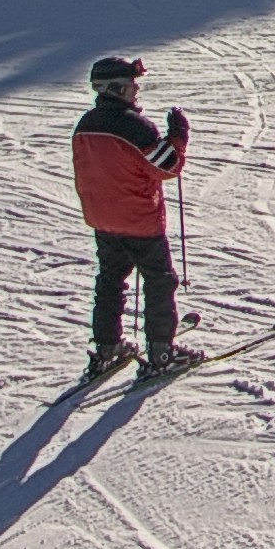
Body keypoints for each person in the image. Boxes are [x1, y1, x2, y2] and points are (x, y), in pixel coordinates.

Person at [68, 54, 190, 384]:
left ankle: (106, 349)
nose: (136, 91)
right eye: (132, 86)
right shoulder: (135, 127)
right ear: (118, 88)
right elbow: (168, 166)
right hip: (140, 222)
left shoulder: (86, 124)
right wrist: (178, 136)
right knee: (159, 280)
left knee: (110, 280)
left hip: (103, 220)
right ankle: (161, 352)